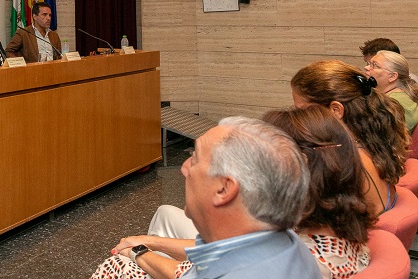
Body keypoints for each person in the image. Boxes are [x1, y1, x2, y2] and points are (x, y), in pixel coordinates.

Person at [94, 107, 371, 279]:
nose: (183, 168)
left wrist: (139, 253)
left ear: (226, 188)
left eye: (195, 158)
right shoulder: (285, 239)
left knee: (117, 266)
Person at [291, 60, 408, 216]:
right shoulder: (371, 143)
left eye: (302, 111)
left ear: (336, 110)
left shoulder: (342, 164)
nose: (298, 119)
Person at [366, 50, 418, 132]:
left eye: (375, 65)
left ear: (392, 76)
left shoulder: (392, 103)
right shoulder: (400, 96)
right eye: (369, 64)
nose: (367, 68)